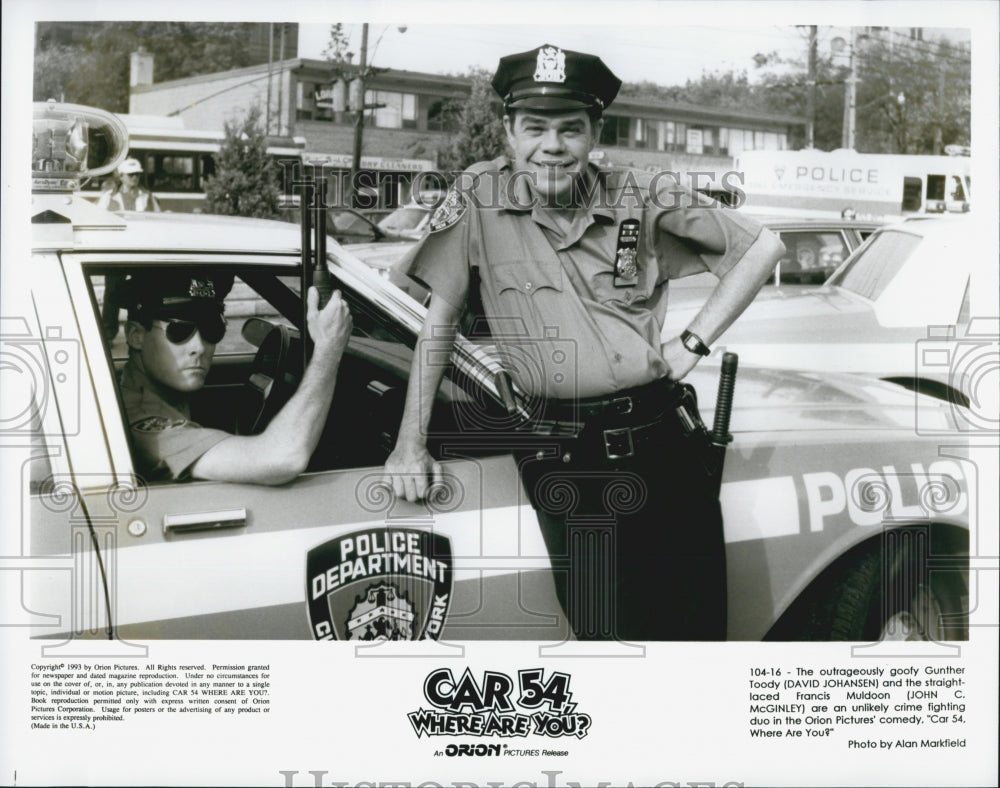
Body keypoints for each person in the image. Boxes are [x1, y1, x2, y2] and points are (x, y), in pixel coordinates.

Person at [383, 44, 785, 642]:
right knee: (609, 640)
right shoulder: (476, 196)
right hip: (563, 453)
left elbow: (763, 249)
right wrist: (408, 445)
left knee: (694, 634)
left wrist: (692, 343)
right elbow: (438, 326)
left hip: (662, 442)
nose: (553, 145)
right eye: (535, 128)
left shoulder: (640, 191)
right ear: (508, 134)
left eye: (571, 129)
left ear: (594, 132)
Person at [121, 270, 352, 485]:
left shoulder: (160, 395)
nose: (199, 347)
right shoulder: (149, 431)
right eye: (179, 331)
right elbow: (283, 457)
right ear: (136, 336)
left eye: (212, 329)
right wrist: (328, 349)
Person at [99, 158, 161, 341]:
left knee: (141, 292)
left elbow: (159, 221)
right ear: (122, 176)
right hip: (116, 252)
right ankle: (108, 335)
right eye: (131, 175)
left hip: (141, 252)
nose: (135, 178)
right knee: (112, 294)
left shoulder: (148, 197)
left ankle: (139, 333)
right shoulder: (108, 198)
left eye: (138, 174)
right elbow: (98, 221)